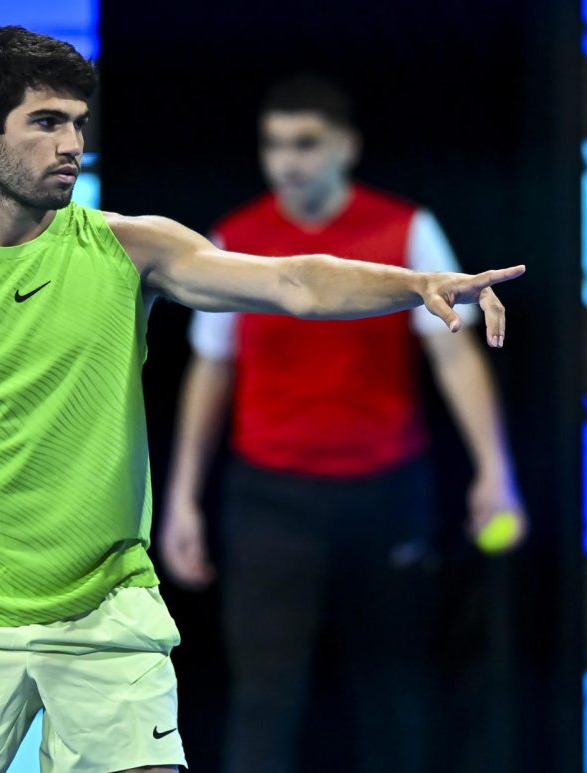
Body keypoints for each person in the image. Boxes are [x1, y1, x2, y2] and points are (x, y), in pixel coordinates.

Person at [0, 29, 523, 773]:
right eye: (46, 123)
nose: (70, 145)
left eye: (78, 124)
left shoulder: (131, 249)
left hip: (108, 618)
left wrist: (413, 284)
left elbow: (294, 282)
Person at [159, 75, 527, 773]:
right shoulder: (234, 240)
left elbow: (454, 358)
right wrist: (180, 497)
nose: (288, 160)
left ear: (346, 147)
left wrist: (496, 470)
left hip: (384, 493)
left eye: (306, 143)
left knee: (396, 697)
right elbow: (212, 370)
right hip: (269, 500)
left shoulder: (408, 229)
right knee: (265, 698)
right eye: (274, 145)